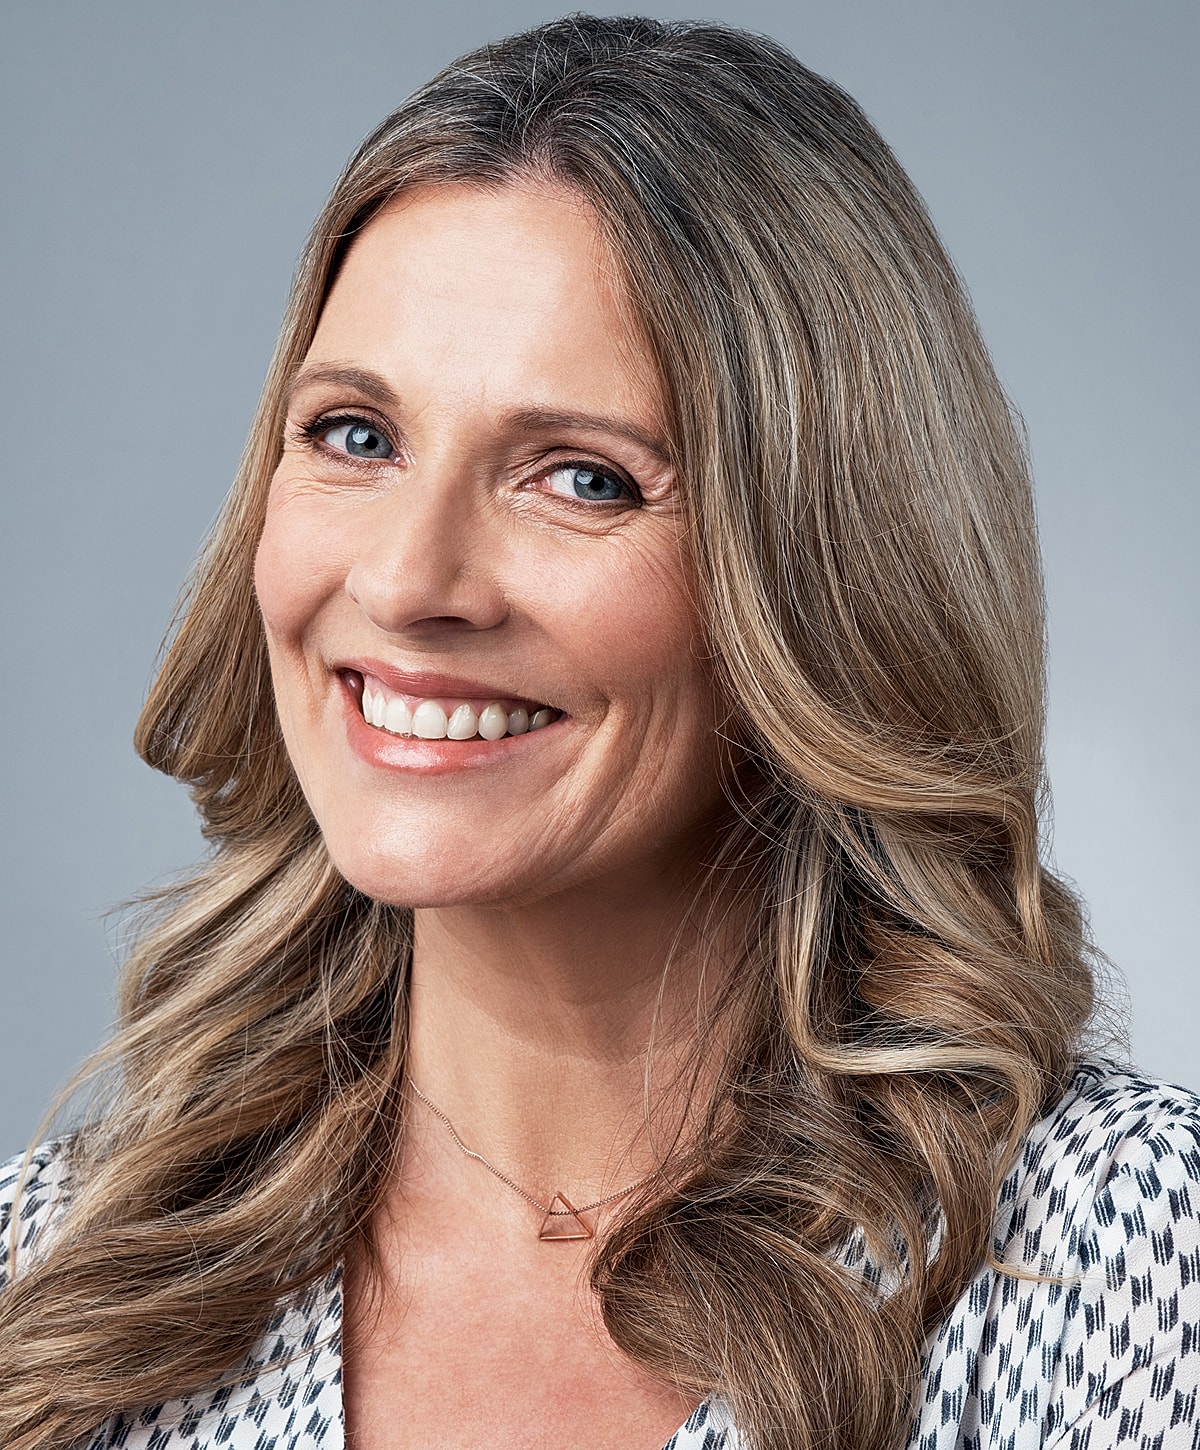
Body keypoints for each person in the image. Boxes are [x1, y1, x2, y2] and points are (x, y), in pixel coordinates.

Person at [1, 15, 1197, 1450]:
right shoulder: (52, 1277)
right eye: (357, 437)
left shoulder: (1119, 1256)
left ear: (820, 574)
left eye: (581, 476)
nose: (407, 582)